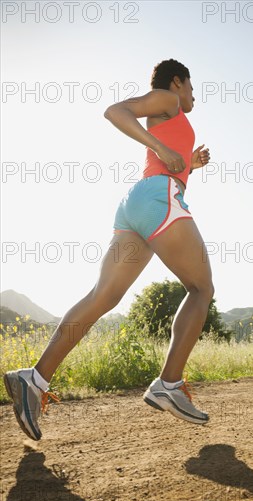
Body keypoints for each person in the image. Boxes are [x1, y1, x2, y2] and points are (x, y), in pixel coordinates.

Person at [3, 59, 214, 441]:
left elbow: (167, 163)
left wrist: (189, 165)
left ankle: (33, 379)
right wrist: (163, 149)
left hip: (138, 203)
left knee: (103, 295)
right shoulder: (169, 98)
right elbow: (115, 111)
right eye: (192, 87)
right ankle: (168, 383)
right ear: (178, 82)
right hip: (158, 197)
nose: (193, 95)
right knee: (201, 289)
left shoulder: (173, 115)